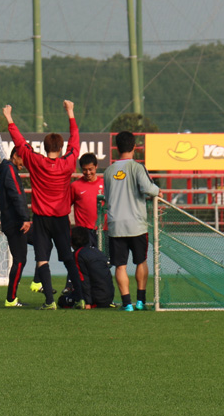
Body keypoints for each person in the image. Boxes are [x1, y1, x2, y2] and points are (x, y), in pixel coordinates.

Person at [4, 100, 84, 310]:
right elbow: (75, 141)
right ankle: (81, 297)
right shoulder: (67, 162)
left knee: (42, 259)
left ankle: (49, 301)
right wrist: (70, 113)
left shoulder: (36, 161)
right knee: (68, 257)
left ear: (45, 147)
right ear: (61, 147)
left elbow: (20, 143)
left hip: (41, 219)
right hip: (61, 218)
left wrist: (10, 119)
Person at [103, 131, 162, 311]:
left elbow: (107, 197)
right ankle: (140, 301)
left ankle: (127, 303)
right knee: (141, 261)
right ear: (134, 147)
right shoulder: (137, 167)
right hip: (137, 225)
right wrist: (158, 191)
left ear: (117, 148)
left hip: (116, 225)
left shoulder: (108, 171)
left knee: (120, 265)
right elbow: (148, 188)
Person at [0, 147, 32, 307]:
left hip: (13, 221)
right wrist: (25, 218)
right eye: (23, 159)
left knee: (43, 242)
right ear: (15, 156)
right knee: (20, 260)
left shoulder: (7, 170)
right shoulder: (10, 171)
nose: (24, 163)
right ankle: (11, 299)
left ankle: (39, 281)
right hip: (15, 223)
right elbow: (16, 195)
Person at [57, 226, 115, 309]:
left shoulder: (78, 254)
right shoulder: (97, 251)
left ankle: (88, 301)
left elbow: (84, 279)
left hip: (96, 299)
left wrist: (88, 302)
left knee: (62, 300)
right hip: (108, 297)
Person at [70, 152, 104, 249]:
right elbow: (66, 207)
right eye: (85, 170)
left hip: (102, 231)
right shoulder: (75, 186)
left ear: (96, 166)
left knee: (103, 257)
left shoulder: (105, 184)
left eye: (90, 169)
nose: (88, 172)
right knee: (83, 257)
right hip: (83, 232)